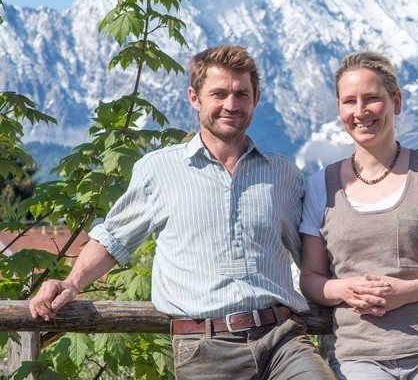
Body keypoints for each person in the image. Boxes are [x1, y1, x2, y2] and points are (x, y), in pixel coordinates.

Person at [29, 45, 336, 380]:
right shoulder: (159, 169)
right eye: (218, 94)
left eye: (241, 94)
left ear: (256, 99)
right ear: (194, 98)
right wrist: (71, 284)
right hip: (204, 346)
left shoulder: (284, 174)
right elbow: (114, 238)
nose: (231, 105)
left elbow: (311, 255)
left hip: (283, 340)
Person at [299, 51, 418, 380]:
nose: (360, 112)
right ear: (339, 109)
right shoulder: (320, 186)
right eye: (349, 101)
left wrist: (406, 292)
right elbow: (311, 278)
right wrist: (344, 290)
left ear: (396, 102)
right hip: (359, 358)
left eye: (372, 99)